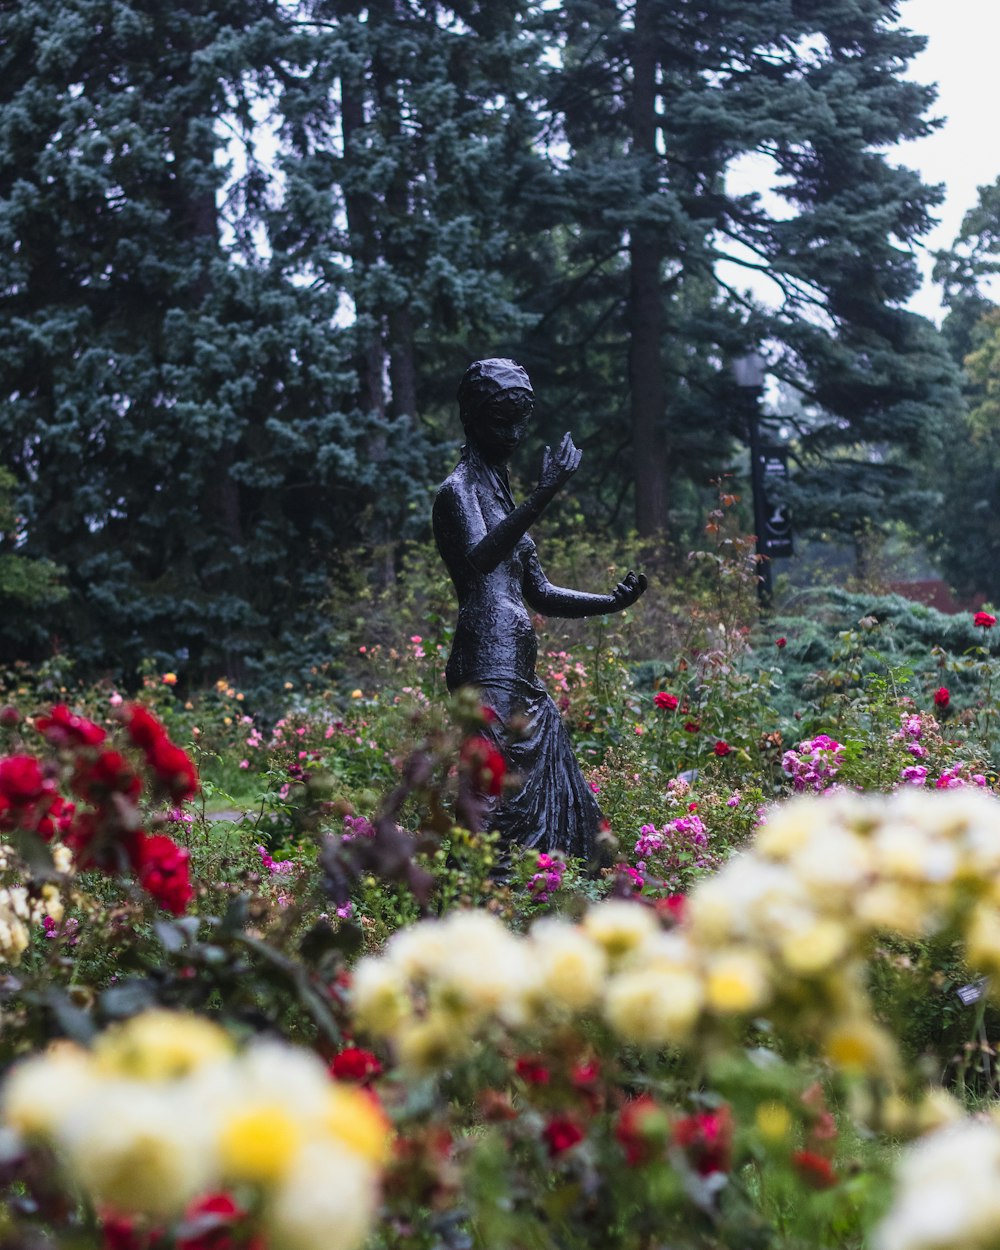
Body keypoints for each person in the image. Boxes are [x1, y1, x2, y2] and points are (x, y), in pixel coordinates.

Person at [432, 357, 647, 863]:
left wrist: (609, 603)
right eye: (499, 420)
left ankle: (547, 885)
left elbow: (540, 591)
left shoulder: (501, 497)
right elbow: (480, 558)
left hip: (516, 666)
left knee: (534, 788)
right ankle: (489, 893)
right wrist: (544, 494)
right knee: (498, 790)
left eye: (519, 421)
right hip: (486, 660)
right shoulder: (456, 492)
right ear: (471, 418)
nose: (512, 433)